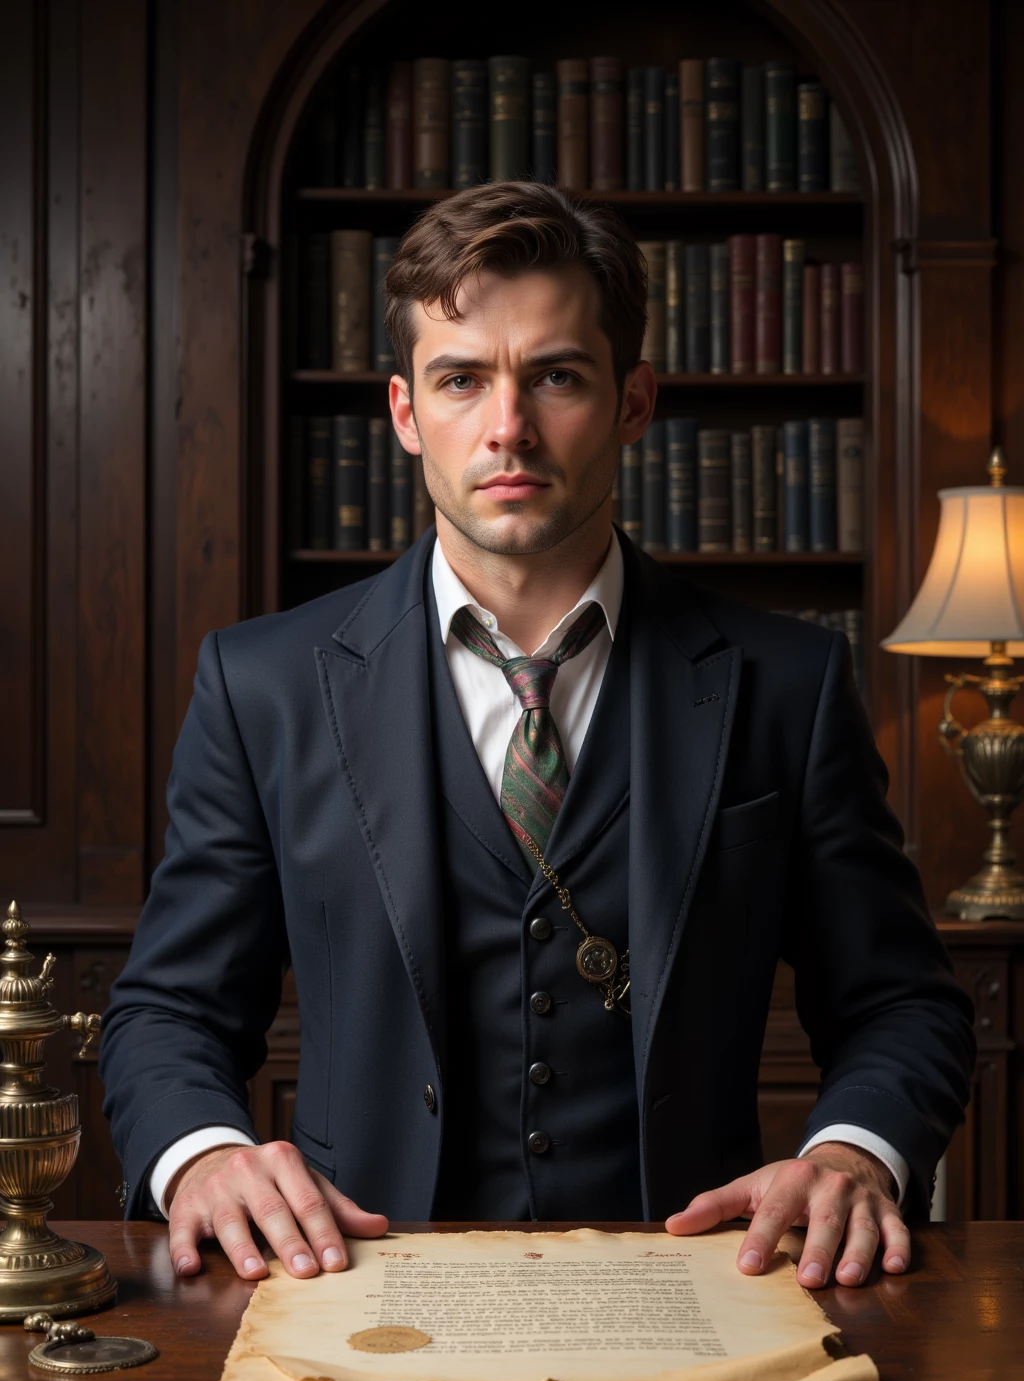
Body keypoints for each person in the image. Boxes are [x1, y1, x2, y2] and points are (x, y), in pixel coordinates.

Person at [99, 181, 974, 1295]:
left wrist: (852, 1152)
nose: (506, 426)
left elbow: (902, 1001)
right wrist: (205, 1157)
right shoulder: (259, 685)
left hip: (700, 1301)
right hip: (346, 1297)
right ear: (407, 414)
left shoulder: (784, 685)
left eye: (555, 375)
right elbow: (167, 1011)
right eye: (461, 379)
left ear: (632, 401)